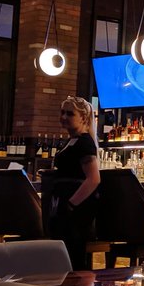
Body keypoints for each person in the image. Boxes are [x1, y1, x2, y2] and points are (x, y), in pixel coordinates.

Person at [48, 96, 101, 270]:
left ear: (83, 117)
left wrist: (71, 204)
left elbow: (93, 178)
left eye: (69, 114)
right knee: (63, 255)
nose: (63, 117)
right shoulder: (73, 141)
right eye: (62, 112)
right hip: (64, 204)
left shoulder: (84, 142)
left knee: (73, 255)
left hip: (76, 210)